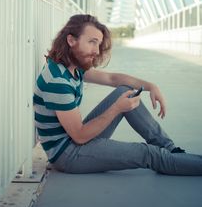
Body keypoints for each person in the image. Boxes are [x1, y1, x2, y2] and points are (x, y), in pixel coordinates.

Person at [33, 14, 202, 175]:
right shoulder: (58, 82)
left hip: (74, 141)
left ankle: (171, 150)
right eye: (92, 42)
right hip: (67, 155)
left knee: (125, 92)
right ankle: (177, 160)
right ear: (71, 40)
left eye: (98, 44)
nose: (97, 51)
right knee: (148, 154)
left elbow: (112, 78)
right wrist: (116, 108)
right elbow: (79, 135)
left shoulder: (72, 67)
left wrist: (151, 86)